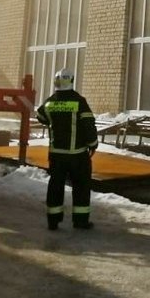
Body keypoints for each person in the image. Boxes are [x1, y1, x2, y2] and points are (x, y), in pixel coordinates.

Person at [36, 68, 97, 230]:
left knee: (55, 186)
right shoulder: (79, 101)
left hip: (56, 155)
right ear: (71, 80)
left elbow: (41, 117)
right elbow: (89, 124)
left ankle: (53, 220)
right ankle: (80, 221)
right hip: (77, 155)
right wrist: (93, 143)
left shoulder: (49, 102)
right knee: (81, 186)